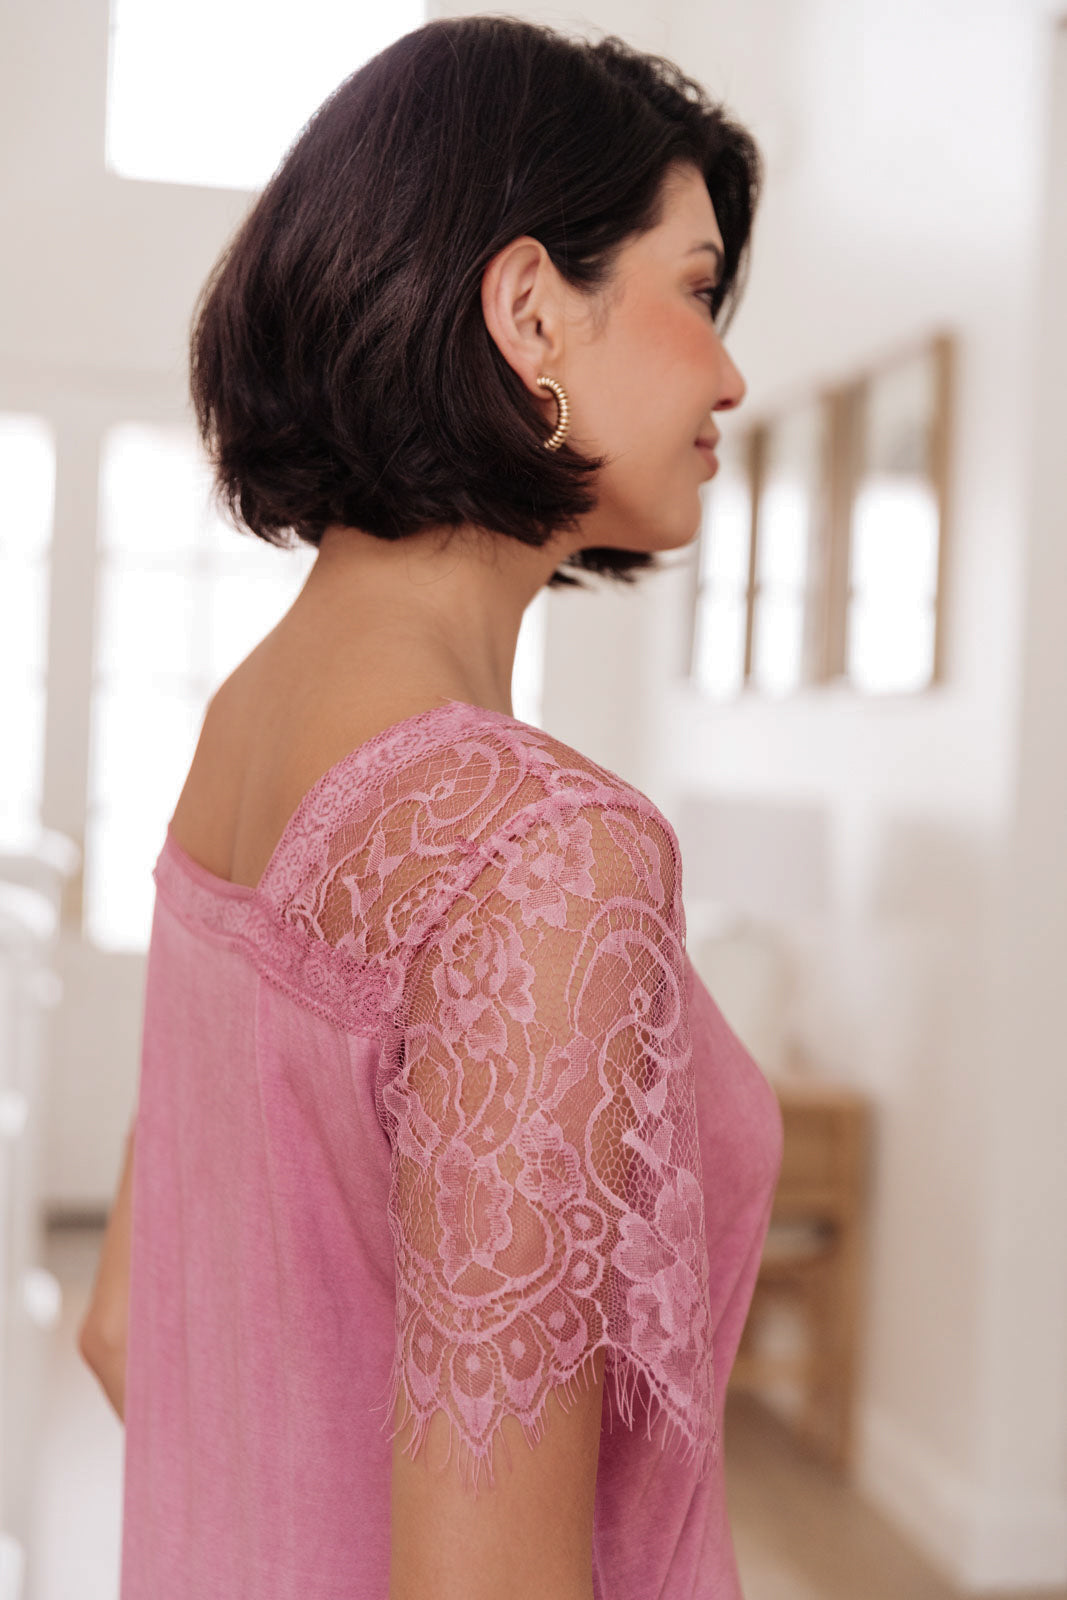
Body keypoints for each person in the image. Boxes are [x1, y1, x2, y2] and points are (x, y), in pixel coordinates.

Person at [79, 14, 784, 1598]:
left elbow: (126, 1326)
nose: (732, 373)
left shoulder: (244, 729)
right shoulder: (541, 850)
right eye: (695, 289)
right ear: (531, 311)